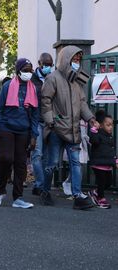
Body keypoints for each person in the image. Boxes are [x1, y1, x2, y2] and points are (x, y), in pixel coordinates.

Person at [41, 45, 100, 210]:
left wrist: (91, 119)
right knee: (52, 164)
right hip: (56, 130)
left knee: (75, 163)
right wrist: (51, 120)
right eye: (74, 59)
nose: (76, 62)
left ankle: (77, 195)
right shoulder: (52, 78)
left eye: (78, 60)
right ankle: (45, 191)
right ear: (65, 59)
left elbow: (82, 104)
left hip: (73, 130)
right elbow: (45, 101)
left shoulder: (77, 81)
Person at [0, 58, 39, 209]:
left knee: (20, 163)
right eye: (25, 70)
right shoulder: (7, 86)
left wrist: (34, 135)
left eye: (30, 70)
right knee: (6, 158)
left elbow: (35, 114)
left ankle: (18, 197)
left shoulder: (33, 88)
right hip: (6, 128)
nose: (28, 73)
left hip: (24, 130)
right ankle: (0, 191)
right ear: (18, 71)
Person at [30, 53, 53, 196]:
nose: (48, 67)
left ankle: (43, 185)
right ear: (39, 63)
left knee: (46, 156)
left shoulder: (53, 78)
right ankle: (40, 184)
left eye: (50, 65)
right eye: (46, 64)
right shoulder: (31, 80)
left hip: (50, 122)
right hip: (36, 121)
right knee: (37, 155)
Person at [88, 110, 116, 209]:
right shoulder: (98, 134)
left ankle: (95, 192)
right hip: (98, 163)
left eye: (111, 125)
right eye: (108, 125)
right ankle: (100, 198)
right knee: (101, 182)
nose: (111, 127)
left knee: (108, 182)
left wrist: (114, 160)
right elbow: (93, 141)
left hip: (107, 164)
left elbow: (110, 150)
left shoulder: (110, 137)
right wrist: (94, 130)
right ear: (101, 125)